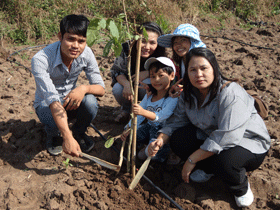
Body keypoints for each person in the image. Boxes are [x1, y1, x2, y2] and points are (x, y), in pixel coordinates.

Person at [147, 48, 270, 207]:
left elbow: (227, 137)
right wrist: (159, 140)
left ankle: (240, 187)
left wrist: (192, 159)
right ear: (187, 73)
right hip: (210, 135)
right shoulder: (188, 94)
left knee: (226, 162)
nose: (198, 74)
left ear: (214, 69)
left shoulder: (230, 93)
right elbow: (176, 121)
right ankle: (209, 168)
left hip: (247, 141)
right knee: (178, 139)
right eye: (193, 70)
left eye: (204, 68)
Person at [31, 14, 105, 157]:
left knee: (90, 102)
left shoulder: (87, 53)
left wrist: (83, 88)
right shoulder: (41, 59)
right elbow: (52, 100)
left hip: (70, 101)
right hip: (47, 104)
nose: (76, 46)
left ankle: (78, 131)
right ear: (60, 36)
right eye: (70, 39)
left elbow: (101, 88)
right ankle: (54, 134)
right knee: (50, 115)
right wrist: (66, 136)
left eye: (81, 41)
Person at [121, 57, 178, 162]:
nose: (156, 80)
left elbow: (161, 117)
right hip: (149, 127)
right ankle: (143, 147)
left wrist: (143, 112)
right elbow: (139, 115)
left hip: (163, 132)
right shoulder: (149, 96)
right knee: (131, 137)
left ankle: (162, 153)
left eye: (161, 75)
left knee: (152, 153)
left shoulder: (173, 98)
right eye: (153, 76)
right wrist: (128, 128)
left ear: (172, 76)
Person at [110, 22, 166, 122]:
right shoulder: (127, 48)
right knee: (118, 88)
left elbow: (166, 74)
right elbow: (117, 71)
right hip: (130, 89)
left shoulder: (161, 54)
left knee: (149, 83)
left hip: (145, 89)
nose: (147, 47)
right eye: (143, 41)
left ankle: (147, 112)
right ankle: (127, 110)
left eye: (152, 43)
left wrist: (148, 73)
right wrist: (126, 84)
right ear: (136, 39)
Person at [157, 23, 206, 98]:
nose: (178, 45)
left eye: (183, 40)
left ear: (193, 42)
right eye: (175, 42)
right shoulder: (182, 61)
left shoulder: (201, 61)